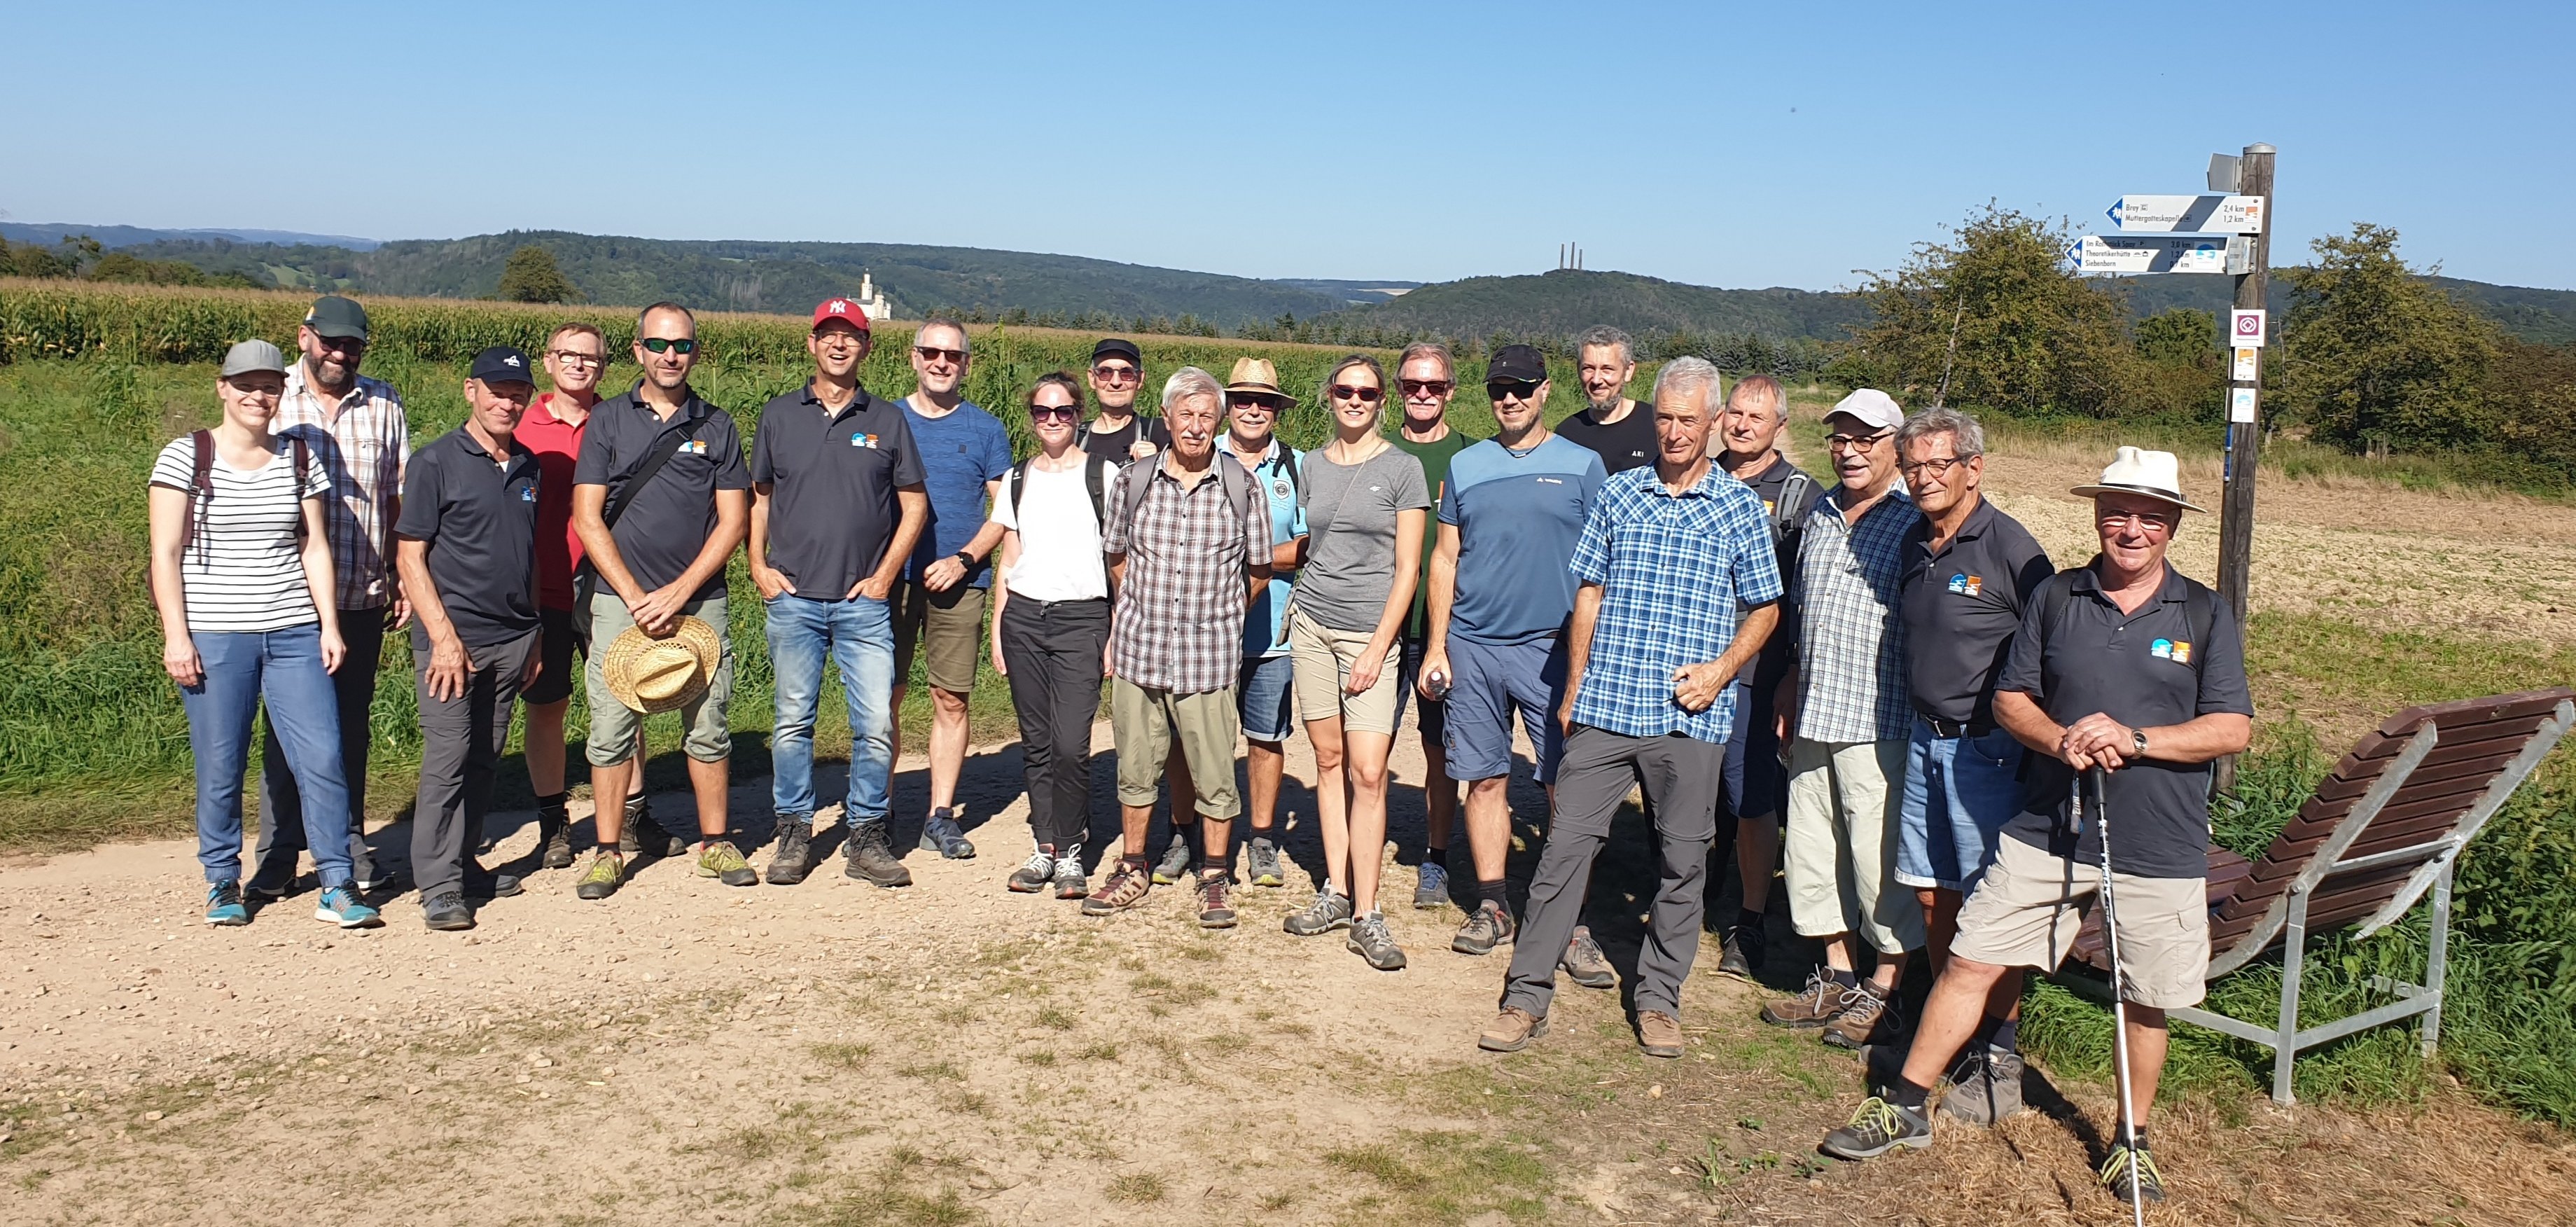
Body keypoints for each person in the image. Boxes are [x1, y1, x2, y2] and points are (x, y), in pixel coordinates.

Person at [1821, 447, 2251, 1209]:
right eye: (2116, 511)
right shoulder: (2056, 597)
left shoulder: (2204, 613)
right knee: (1971, 959)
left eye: (2150, 516)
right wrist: (2063, 740)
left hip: (2159, 840)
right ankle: (1906, 1103)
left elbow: (2229, 729)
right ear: (2097, 515)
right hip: (2045, 829)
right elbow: (2011, 699)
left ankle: (2130, 1143)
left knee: (2141, 997)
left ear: (2172, 525)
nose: (2130, 529)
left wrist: (2137, 740)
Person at [1480, 358, 1781, 1055]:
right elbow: (1586, 594)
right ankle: (1526, 995)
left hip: (1688, 714)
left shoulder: (1737, 507)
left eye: (1687, 420)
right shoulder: (1621, 494)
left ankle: (1658, 998)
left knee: (1683, 861)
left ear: (1712, 424)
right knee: (1563, 853)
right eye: (1665, 418)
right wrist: (1575, 687)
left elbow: (1764, 607)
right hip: (1607, 706)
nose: (1674, 432)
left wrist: (1721, 671)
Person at [148, 340, 376, 929]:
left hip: (294, 631)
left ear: (281, 393)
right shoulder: (185, 456)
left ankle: (337, 882)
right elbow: (165, 554)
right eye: (246, 384)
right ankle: (223, 880)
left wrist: (328, 624)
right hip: (218, 635)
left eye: (270, 386)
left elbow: (313, 545)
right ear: (222, 388)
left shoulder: (300, 458)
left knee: (323, 755)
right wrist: (178, 636)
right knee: (221, 762)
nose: (258, 396)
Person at [1418, 344, 1610, 978]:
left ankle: (1571, 923)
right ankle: (1494, 903)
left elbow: (1602, 569)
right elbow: (1445, 558)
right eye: (1499, 388)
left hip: (1552, 650)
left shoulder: (1583, 466)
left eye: (1522, 388)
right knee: (1484, 778)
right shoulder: (1467, 466)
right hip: (1473, 647)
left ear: (1546, 391)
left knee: (1565, 788)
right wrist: (1439, 645)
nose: (1510, 399)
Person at [1889, 408, 2056, 1122]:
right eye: (1913, 466)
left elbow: (2051, 649)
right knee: (1933, 896)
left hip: (1986, 750)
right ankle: (1946, 1027)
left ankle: (1999, 1053)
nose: (1923, 479)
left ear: (1973, 469)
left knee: (1995, 913)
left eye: (1937, 465)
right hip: (1924, 740)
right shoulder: (1913, 540)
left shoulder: (2013, 552)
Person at [569, 302, 754, 899]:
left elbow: (733, 522)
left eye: (681, 346)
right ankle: (606, 850)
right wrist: (635, 594)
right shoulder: (608, 423)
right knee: (611, 729)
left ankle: (716, 841)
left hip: (699, 603)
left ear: (695, 353)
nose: (670, 355)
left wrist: (679, 591)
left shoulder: (717, 425)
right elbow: (587, 516)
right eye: (658, 344)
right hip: (620, 600)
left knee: (708, 727)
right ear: (638, 352)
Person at [1763, 389, 1925, 1050]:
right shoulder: (1822, 512)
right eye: (1840, 439)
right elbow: (1804, 613)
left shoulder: (1913, 519)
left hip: (1879, 716)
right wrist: (1792, 678)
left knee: (1877, 862)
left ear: (1895, 447)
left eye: (1866, 440)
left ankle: (1884, 989)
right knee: (1811, 853)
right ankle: (1834, 974)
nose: (1850, 451)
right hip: (1815, 711)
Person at [749, 300, 929, 888]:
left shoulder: (887, 419)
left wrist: (883, 577)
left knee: (874, 722)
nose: (838, 345)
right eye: (828, 335)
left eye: (850, 337)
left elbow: (914, 505)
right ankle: (794, 831)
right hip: (794, 600)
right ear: (812, 344)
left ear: (866, 348)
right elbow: (761, 497)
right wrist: (757, 563)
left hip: (862, 604)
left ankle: (867, 835)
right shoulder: (779, 416)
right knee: (792, 722)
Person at [1089, 367, 1272, 927]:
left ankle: (1214, 875)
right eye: (1185, 415)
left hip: (1208, 657)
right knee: (1136, 769)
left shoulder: (1242, 486)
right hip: (1140, 651)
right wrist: (1140, 610)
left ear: (1217, 424)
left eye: (1205, 418)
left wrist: (1218, 617)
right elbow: (1116, 557)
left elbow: (1258, 570)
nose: (1194, 428)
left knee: (1215, 774)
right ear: (1165, 418)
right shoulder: (1133, 480)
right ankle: (1133, 865)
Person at [246, 296, 406, 901]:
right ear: (305, 337)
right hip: (284, 596)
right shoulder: (269, 395)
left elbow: (395, 497)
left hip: (360, 590)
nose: (341, 354)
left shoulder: (385, 401)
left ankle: (347, 843)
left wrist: (398, 574)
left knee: (348, 727)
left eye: (353, 345)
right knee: (286, 729)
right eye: (331, 342)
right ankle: (278, 854)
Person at [1279, 355, 1429, 969]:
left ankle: (1369, 912)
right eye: (1344, 390)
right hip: (1311, 627)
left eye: (1366, 392)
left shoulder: (1403, 468)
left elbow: (1409, 570)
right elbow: (1313, 547)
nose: (1355, 400)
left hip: (1369, 635)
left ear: (1381, 402)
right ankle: (1336, 891)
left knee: (1368, 772)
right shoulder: (1311, 465)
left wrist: (1376, 647)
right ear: (1329, 396)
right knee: (1327, 759)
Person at [393, 347, 545, 930]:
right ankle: (438, 884)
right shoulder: (435, 462)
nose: (507, 402)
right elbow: (411, 556)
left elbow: (528, 557)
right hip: (453, 640)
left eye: (517, 393)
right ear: (470, 391)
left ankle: (464, 862)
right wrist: (443, 638)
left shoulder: (528, 465)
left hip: (511, 638)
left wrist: (532, 633)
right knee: (449, 759)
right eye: (497, 391)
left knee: (485, 758)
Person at [1157, 357, 1307, 889]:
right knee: (1184, 739)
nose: (1252, 410)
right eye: (1242, 400)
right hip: (1196, 635)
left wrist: (1253, 556)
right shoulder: (1195, 454)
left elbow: (1309, 546)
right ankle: (1183, 832)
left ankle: (1261, 839)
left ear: (1276, 411)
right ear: (1225, 410)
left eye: (1263, 401)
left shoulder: (1297, 467)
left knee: (1264, 738)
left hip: (1270, 630)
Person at [515, 321, 643, 870]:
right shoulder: (518, 423)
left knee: (624, 700)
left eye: (590, 358)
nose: (579, 365)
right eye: (568, 355)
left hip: (604, 584)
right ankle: (553, 822)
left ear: (604, 368)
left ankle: (634, 817)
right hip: (541, 584)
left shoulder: (618, 423)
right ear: (548, 361)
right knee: (548, 707)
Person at [991, 373, 1121, 899]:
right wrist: (999, 630)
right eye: (1043, 412)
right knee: (1037, 743)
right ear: (1032, 416)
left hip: (1082, 620)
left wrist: (1116, 632)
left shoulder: (1104, 475)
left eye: (1063, 411)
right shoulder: (1017, 479)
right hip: (1023, 617)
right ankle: (1045, 847)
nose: (1052, 420)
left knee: (1071, 743)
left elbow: (1120, 564)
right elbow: (1010, 557)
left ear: (1077, 415)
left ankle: (1071, 848)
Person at [1710, 376, 1821, 979]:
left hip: (1757, 672)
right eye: (1734, 412)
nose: (1742, 424)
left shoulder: (1801, 496)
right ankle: (1686, 890)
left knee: (1752, 799)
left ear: (1780, 426)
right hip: (1689, 663)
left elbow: (1809, 597)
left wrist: (1793, 674)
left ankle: (1749, 920)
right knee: (1685, 791)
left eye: (1757, 416)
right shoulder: (1695, 477)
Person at [891, 319, 1012, 861]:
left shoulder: (986, 429)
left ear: (966, 365)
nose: (942, 363)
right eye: (932, 353)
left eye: (953, 356)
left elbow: (1004, 509)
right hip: (888, 579)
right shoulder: (883, 419)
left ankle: (940, 814)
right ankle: (878, 808)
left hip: (958, 580)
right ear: (913, 358)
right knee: (881, 699)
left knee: (950, 697)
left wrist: (965, 559)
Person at [1388, 342, 1475, 909]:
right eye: (1412, 385)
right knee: (1362, 744)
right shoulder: (1374, 450)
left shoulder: (1472, 458)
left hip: (1440, 628)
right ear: (1398, 390)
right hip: (1377, 626)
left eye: (1434, 386)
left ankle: (1436, 859)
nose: (1423, 394)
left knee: (1438, 746)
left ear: (1450, 391)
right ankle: (1352, 849)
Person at [1552, 325, 1659, 474]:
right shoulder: (1567, 434)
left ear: (1628, 371)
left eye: (1607, 369)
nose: (1596, 380)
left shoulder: (1657, 425)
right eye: (1588, 368)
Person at [1078, 337, 1169, 462]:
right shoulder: (1074, 437)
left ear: (1140, 380)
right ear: (1092, 379)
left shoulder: (1163, 432)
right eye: (1105, 373)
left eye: (1126, 373)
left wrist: (1159, 461)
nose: (1116, 382)